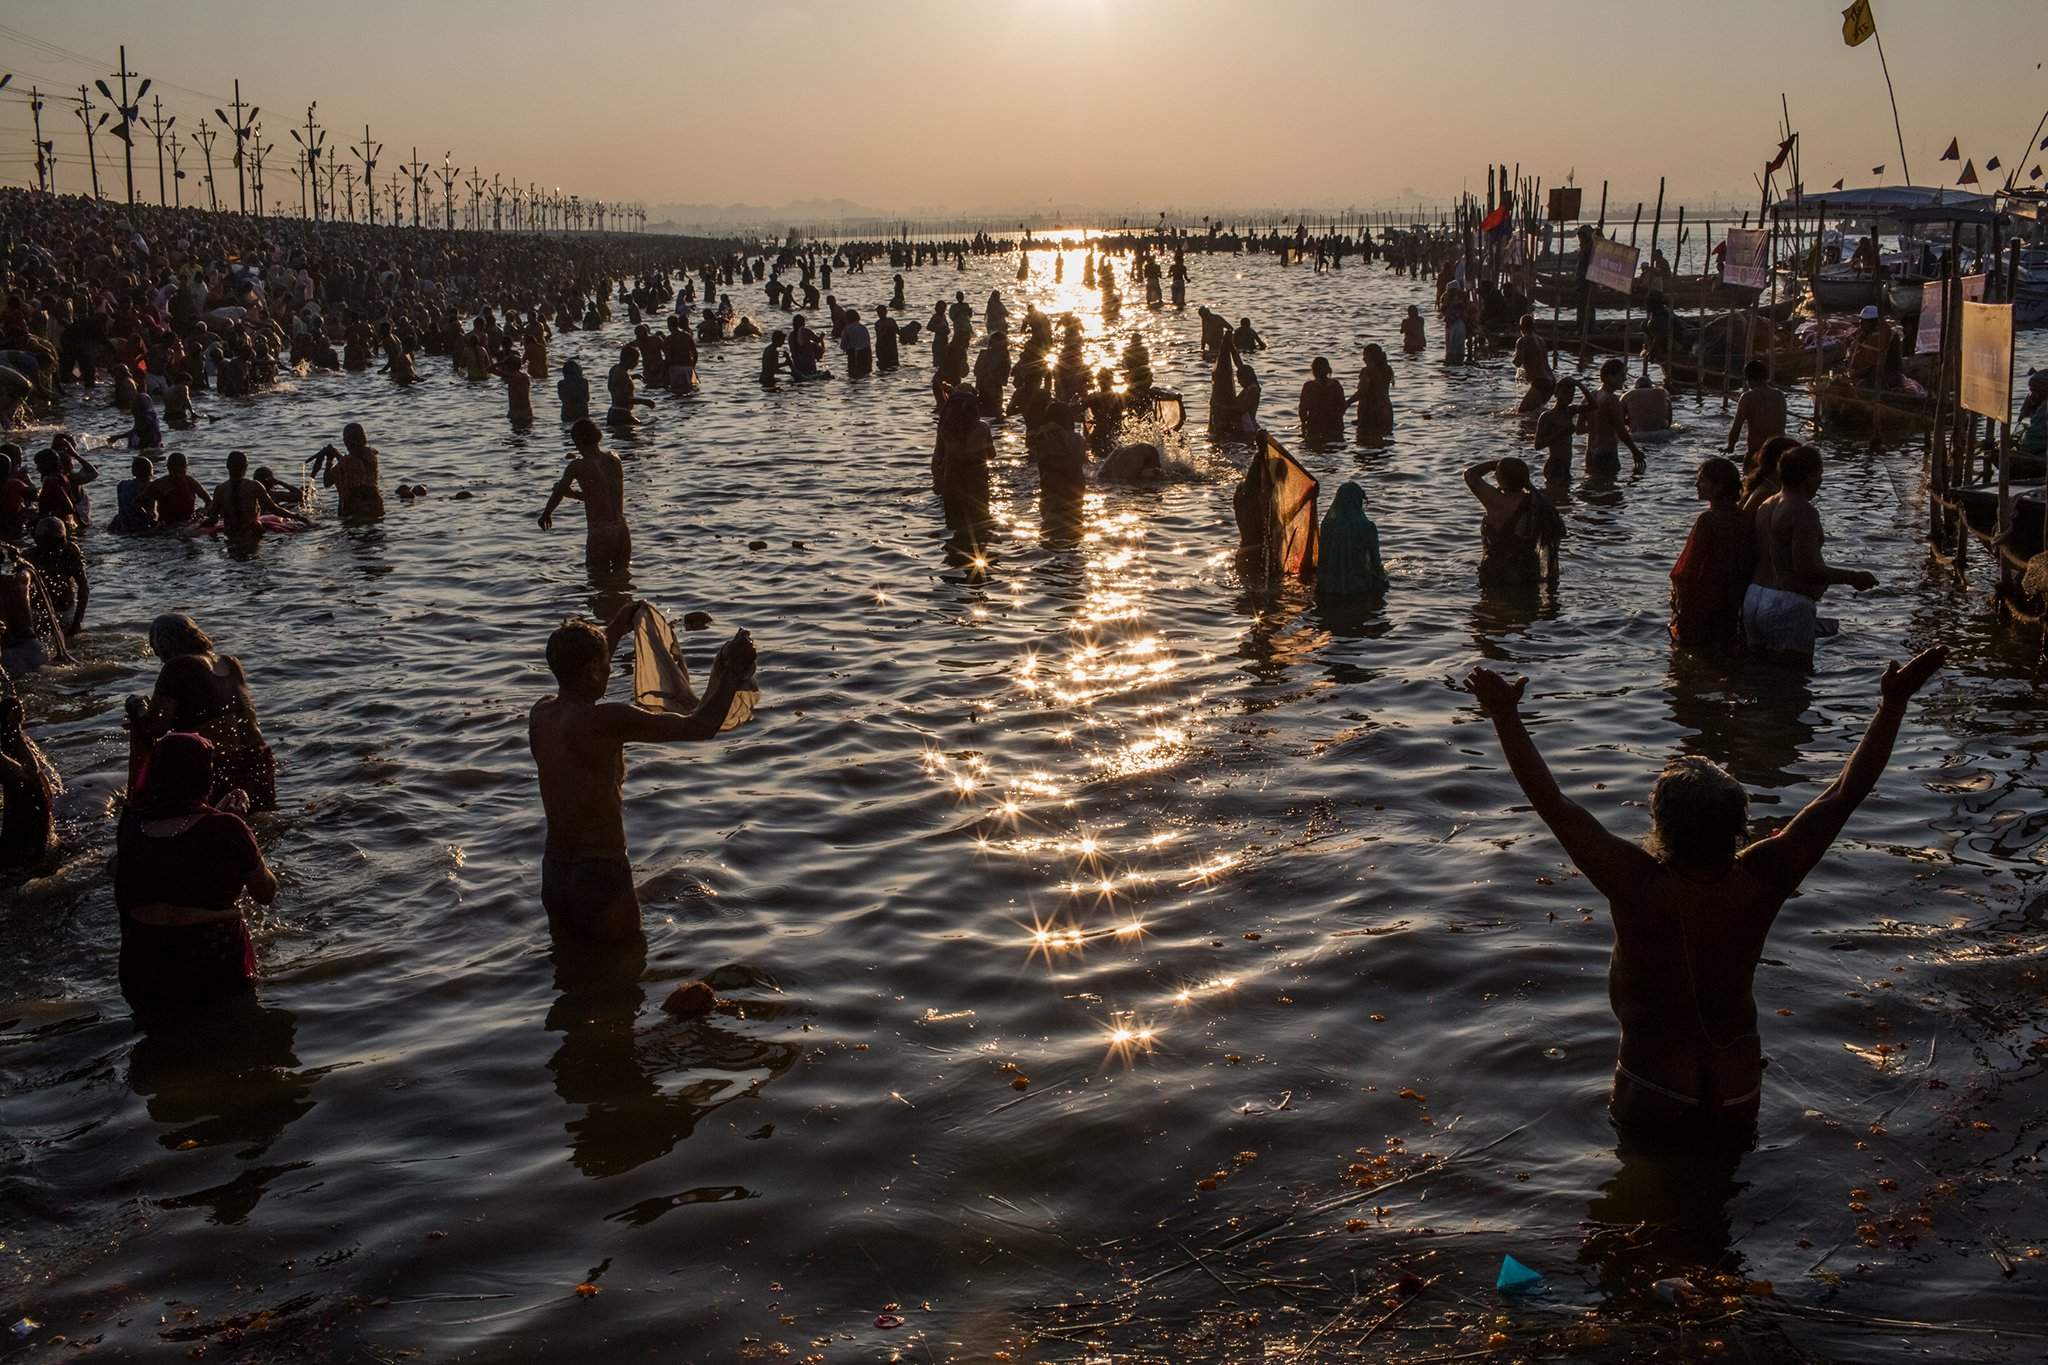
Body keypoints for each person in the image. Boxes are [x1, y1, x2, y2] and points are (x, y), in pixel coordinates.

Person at [1462, 644, 1946, 1135]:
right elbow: (1845, 792)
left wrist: (1504, 714)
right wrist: (1892, 706)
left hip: (1655, 1081)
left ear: (1661, 826)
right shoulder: (1764, 876)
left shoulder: (1635, 881)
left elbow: (1549, 799)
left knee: (1649, 1202)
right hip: (1738, 1086)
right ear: (1739, 828)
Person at [529, 604, 757, 945]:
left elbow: (577, 662)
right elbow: (700, 726)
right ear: (593, 669)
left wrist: (620, 625)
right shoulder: (606, 721)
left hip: (556, 874)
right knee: (625, 973)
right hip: (602, 873)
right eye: (605, 666)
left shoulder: (541, 715)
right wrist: (731, 673)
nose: (609, 672)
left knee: (570, 971)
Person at [113, 731, 280, 1014]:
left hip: (144, 971)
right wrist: (244, 836)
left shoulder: (131, 826)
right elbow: (265, 892)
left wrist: (217, 817)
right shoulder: (228, 829)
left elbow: (173, 857)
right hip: (213, 968)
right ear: (204, 776)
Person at [1743, 444, 1877, 667]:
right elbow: (1807, 568)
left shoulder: (1765, 505)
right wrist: (1854, 577)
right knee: (1793, 684)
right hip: (1786, 603)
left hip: (1755, 596)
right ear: (1808, 477)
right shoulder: (1803, 511)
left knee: (1758, 676)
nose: (1821, 481)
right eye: (1819, 475)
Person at [128, 614, 278, 811]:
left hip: (217, 766)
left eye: (156, 648)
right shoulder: (232, 663)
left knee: (210, 828)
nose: (158, 656)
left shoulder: (176, 667)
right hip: (257, 759)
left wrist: (138, 706)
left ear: (164, 644)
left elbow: (156, 727)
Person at [1669, 458, 1753, 649]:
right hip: (1731, 603)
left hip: (1702, 602)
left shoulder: (1708, 520)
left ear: (1718, 486)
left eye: (1702, 480)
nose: (1696, 484)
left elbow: (1688, 568)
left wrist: (1679, 602)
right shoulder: (1745, 518)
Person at [539, 418, 631, 577]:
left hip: (600, 531)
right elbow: (604, 497)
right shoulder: (614, 459)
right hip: (622, 530)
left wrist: (546, 513)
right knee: (621, 579)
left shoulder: (577, 466)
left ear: (580, 441)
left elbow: (558, 492)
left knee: (596, 580)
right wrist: (574, 495)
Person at [1464, 456, 1563, 589]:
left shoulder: (1496, 501)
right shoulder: (1537, 503)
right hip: (1528, 572)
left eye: (1497, 473)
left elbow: (1470, 474)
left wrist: (1494, 464)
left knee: (1492, 606)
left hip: (1498, 573)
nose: (1494, 474)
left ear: (1501, 479)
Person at [0, 681, 57, 870]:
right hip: (21, 811)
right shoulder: (8, 744)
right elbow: (31, 772)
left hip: (33, 807)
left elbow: (40, 776)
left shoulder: (19, 740)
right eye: (16, 711)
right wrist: (16, 732)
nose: (21, 713)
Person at [212, 451, 311, 541]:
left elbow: (213, 517)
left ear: (227, 466)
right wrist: (298, 517)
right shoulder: (254, 486)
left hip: (230, 536)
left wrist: (200, 527)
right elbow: (274, 509)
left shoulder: (220, 489)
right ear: (246, 466)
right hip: (253, 534)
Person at [1316, 481, 1388, 599]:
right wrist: (1384, 581)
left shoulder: (1327, 525)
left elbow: (1323, 559)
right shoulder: (1367, 527)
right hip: (1359, 587)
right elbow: (1376, 563)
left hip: (1327, 587)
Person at [29, 518, 87, 637]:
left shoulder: (70, 551)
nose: (49, 549)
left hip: (64, 612)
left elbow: (84, 587)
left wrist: (77, 622)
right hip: (36, 612)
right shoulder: (29, 556)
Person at [1586, 358, 1645, 475]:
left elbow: (1579, 429)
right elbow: (1621, 431)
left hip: (1590, 452)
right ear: (1609, 376)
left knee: (1594, 486)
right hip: (1606, 453)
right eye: (1621, 375)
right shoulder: (1612, 399)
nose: (1624, 379)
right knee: (1610, 490)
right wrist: (1635, 451)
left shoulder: (1591, 395)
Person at [315, 423, 385, 521]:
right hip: (370, 507)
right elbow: (329, 481)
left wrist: (332, 457)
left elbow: (328, 481)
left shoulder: (361, 457)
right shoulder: (369, 455)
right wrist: (332, 458)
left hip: (356, 509)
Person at [1724, 360, 1787, 458]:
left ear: (1748, 378)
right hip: (1779, 449)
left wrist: (1730, 446)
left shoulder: (1747, 397)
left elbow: (1737, 426)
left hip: (1757, 450)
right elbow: (1782, 423)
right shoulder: (1779, 395)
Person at [1532, 379, 1583, 483]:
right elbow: (1538, 445)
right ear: (1556, 393)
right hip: (1555, 465)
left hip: (1566, 464)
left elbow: (1594, 406)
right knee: (1555, 495)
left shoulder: (1570, 411)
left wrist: (1579, 385)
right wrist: (1560, 433)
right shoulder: (1547, 416)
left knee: (1565, 496)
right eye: (1564, 393)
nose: (1567, 397)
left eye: (1571, 394)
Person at [148, 451, 213, 527]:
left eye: (181, 468)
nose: (178, 473)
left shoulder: (190, 482)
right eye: (175, 469)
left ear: (186, 467)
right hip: (166, 527)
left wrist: (203, 511)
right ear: (168, 467)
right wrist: (150, 519)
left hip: (188, 525)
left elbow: (209, 502)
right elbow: (137, 503)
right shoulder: (159, 484)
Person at [1348, 344, 1395, 438]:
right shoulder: (1388, 370)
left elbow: (1362, 391)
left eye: (1365, 356)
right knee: (1384, 441)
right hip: (1386, 411)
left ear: (1371, 357)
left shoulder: (1367, 372)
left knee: (1366, 441)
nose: (1363, 359)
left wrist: (1347, 403)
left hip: (1371, 412)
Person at [1296, 357, 1347, 442]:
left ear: (1313, 371)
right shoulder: (1335, 385)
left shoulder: (1309, 386)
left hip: (1315, 424)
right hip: (1334, 424)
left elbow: (1302, 409)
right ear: (1328, 370)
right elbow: (1342, 406)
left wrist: (1303, 425)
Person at [1513, 314, 1554, 414]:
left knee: (1522, 412)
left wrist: (1514, 356)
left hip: (1540, 383)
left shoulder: (1522, 340)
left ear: (1521, 327)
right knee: (1535, 412)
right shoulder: (1541, 340)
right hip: (1552, 382)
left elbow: (1518, 362)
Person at [109, 454, 159, 534]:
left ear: (133, 471)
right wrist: (153, 523)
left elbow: (121, 507)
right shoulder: (150, 486)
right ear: (151, 471)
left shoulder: (122, 485)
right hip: (141, 526)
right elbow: (138, 507)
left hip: (122, 525)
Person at [840, 308, 873, 379]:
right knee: (866, 374)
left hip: (854, 354)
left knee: (854, 376)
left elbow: (843, 346)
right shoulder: (863, 327)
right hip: (866, 353)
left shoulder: (847, 329)